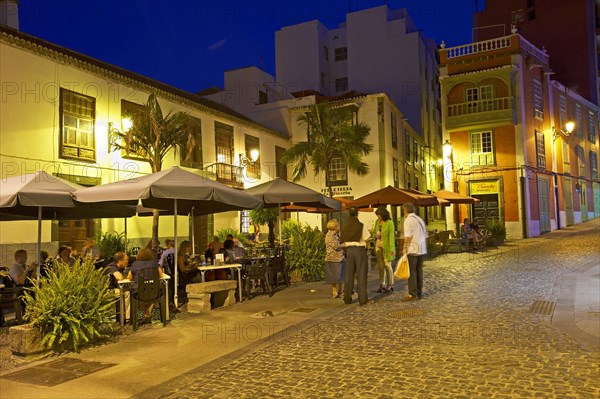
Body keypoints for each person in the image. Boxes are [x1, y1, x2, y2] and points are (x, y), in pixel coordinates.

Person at [340, 206, 371, 306]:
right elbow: (366, 238)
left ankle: (347, 298)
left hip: (349, 250)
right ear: (357, 214)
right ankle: (362, 299)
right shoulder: (360, 225)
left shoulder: (344, 225)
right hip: (359, 250)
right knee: (361, 275)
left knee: (349, 275)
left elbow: (342, 239)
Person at [127, 248, 163, 323]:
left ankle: (146, 312)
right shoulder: (154, 263)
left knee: (138, 298)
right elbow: (161, 275)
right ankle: (148, 312)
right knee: (154, 296)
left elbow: (129, 278)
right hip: (154, 291)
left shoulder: (135, 264)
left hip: (139, 292)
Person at [402, 203, 427, 301]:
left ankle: (413, 294)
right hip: (421, 248)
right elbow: (425, 235)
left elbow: (408, 236)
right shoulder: (420, 219)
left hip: (412, 249)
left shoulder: (408, 220)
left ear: (405, 211)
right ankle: (419, 292)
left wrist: (405, 247)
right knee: (419, 270)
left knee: (412, 272)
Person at [103, 252, 131, 322]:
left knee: (125, 291)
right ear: (120, 261)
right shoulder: (112, 266)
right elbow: (119, 277)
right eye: (126, 260)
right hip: (106, 291)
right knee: (127, 293)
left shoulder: (119, 268)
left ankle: (123, 316)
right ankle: (125, 318)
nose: (127, 262)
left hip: (111, 290)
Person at [374, 206, 396, 293]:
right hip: (378, 245)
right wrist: (375, 235)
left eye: (379, 215)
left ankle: (390, 284)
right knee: (380, 266)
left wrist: (392, 249)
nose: (378, 217)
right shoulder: (377, 222)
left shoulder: (389, 223)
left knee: (388, 265)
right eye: (377, 216)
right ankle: (382, 284)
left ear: (383, 215)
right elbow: (374, 232)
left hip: (386, 246)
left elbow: (391, 237)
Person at [324, 219, 345, 299]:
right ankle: (334, 292)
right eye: (338, 225)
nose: (339, 226)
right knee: (334, 276)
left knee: (341, 275)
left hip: (340, 257)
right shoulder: (329, 235)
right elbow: (335, 246)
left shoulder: (336, 235)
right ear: (335, 226)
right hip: (333, 258)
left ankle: (341, 291)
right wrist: (344, 245)